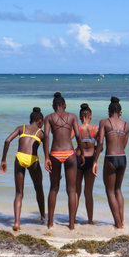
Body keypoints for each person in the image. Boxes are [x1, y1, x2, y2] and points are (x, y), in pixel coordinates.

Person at [0, 107, 45, 231]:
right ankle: (43, 217)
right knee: (39, 189)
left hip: (19, 157)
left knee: (19, 193)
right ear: (39, 121)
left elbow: (7, 140)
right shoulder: (41, 133)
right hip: (32, 159)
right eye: (42, 123)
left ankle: (17, 223)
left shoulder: (21, 128)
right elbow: (47, 152)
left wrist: (3, 160)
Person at [43, 92, 83, 230]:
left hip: (55, 153)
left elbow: (46, 137)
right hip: (70, 152)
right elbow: (78, 135)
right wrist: (82, 152)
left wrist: (46, 157)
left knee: (53, 188)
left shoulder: (48, 117)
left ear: (53, 106)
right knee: (71, 190)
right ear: (64, 105)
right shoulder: (72, 116)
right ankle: (71, 226)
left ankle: (50, 224)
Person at [93, 96, 129, 228]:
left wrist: (95, 161)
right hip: (122, 158)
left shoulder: (104, 122)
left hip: (110, 158)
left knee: (109, 191)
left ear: (108, 111)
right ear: (120, 112)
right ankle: (122, 221)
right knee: (118, 190)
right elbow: (123, 145)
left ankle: (118, 224)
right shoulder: (126, 125)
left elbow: (101, 143)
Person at [76, 103, 98, 224]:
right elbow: (101, 146)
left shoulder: (77, 128)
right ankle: (90, 221)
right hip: (91, 159)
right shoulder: (96, 129)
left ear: (80, 117)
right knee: (88, 192)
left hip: (78, 158)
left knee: (76, 192)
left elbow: (67, 140)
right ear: (90, 116)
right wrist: (95, 158)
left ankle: (72, 220)